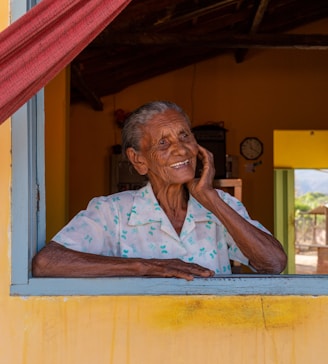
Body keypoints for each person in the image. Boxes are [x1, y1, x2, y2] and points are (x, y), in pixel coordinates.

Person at [32, 101, 287, 280]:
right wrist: (146, 267)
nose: (181, 149)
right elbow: (47, 263)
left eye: (185, 136)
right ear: (139, 160)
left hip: (212, 344)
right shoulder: (114, 212)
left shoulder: (219, 206)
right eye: (163, 143)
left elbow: (274, 263)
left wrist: (211, 199)